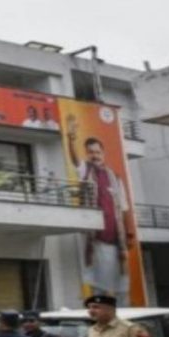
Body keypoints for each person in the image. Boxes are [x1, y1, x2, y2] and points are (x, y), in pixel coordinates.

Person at [66, 118, 134, 305]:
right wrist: (71, 138)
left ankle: (124, 313)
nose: (94, 155)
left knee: (122, 286)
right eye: (90, 152)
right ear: (87, 154)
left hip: (117, 242)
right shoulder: (86, 171)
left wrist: (129, 235)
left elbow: (124, 207)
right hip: (97, 240)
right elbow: (74, 159)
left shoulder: (114, 177)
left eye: (97, 152)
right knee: (100, 286)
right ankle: (100, 313)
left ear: (103, 153)